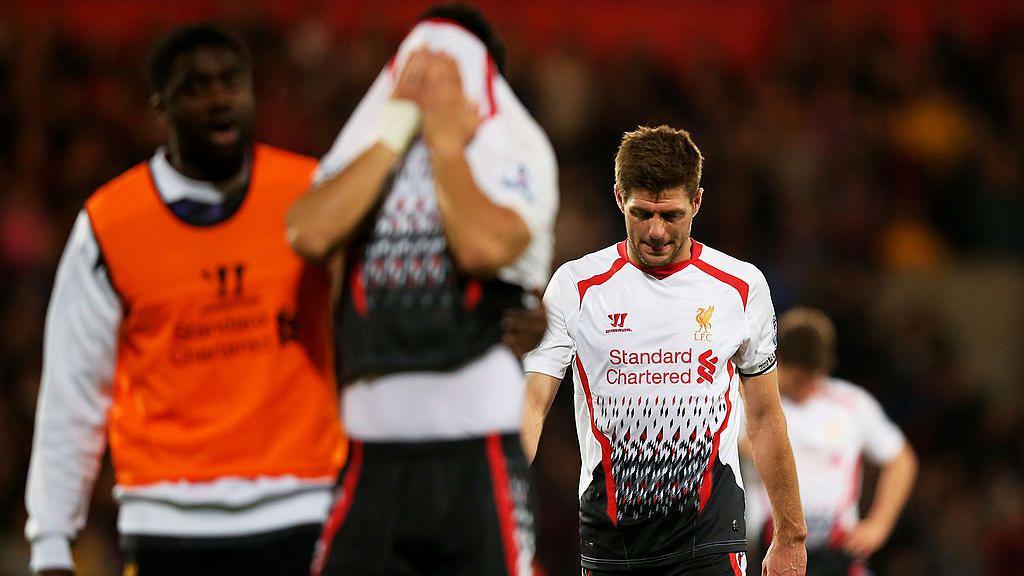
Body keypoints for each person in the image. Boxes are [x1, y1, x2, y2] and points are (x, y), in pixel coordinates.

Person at [24, 24, 345, 576]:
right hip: (167, 524)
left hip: (305, 508)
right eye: (196, 87)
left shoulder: (314, 195)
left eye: (231, 82)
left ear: (252, 92)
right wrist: (53, 540)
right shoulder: (110, 226)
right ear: (161, 107)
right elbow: (73, 390)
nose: (219, 98)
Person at [286, 4, 558, 575]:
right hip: (368, 453)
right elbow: (308, 231)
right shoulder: (369, 147)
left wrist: (447, 147)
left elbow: (482, 248)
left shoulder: (519, 153)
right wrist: (391, 136)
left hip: (475, 451)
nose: (430, 74)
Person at [522, 125, 807, 576]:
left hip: (709, 540)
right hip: (612, 543)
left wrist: (791, 535)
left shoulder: (740, 287)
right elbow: (532, 404)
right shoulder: (576, 287)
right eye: (642, 213)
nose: (656, 231)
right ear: (619, 198)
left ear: (696, 201)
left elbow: (766, 416)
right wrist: (498, 500)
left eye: (671, 215)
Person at [742, 308, 917, 576]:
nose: (807, 388)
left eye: (814, 378)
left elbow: (900, 460)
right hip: (771, 551)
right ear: (777, 360)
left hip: (837, 551)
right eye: (799, 379)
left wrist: (878, 525)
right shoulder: (752, 405)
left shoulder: (850, 404)